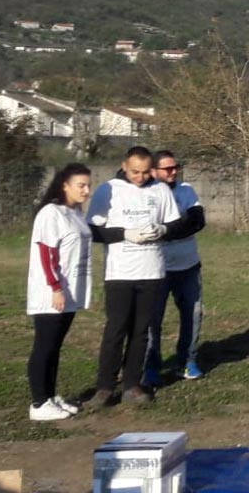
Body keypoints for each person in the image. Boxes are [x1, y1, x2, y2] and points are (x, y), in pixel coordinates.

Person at [86, 146, 182, 407]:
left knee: (142, 331)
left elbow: (176, 224)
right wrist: (124, 234)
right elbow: (93, 230)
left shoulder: (160, 190)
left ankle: (132, 384)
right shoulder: (109, 190)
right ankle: (105, 387)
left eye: (144, 172)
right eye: (134, 172)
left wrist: (162, 229)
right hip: (120, 272)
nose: (139, 177)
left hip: (152, 271)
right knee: (116, 329)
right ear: (124, 166)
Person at [25, 163, 95, 422]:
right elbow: (47, 253)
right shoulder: (51, 213)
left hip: (71, 291)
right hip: (51, 293)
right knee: (45, 345)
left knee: (55, 346)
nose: (86, 190)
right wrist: (55, 287)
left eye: (88, 185)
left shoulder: (74, 213)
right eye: (81, 185)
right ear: (64, 185)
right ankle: (39, 402)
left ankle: (50, 397)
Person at [143, 150, 207, 386]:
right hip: (156, 267)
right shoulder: (146, 194)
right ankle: (151, 365)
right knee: (152, 319)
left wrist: (166, 231)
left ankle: (187, 360)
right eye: (167, 168)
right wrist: (178, 226)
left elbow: (197, 221)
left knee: (193, 314)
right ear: (153, 171)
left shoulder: (186, 190)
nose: (173, 172)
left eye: (175, 167)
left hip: (188, 266)